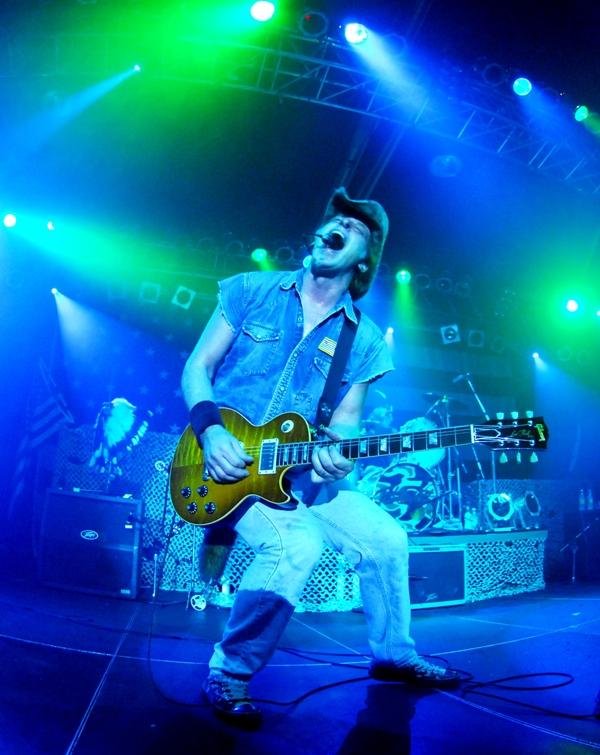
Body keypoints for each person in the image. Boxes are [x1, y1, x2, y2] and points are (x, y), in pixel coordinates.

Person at [181, 187, 461, 727]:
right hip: (227, 465)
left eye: (354, 228)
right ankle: (229, 671)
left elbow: (347, 425)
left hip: (303, 475)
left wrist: (340, 455)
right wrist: (211, 431)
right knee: (297, 543)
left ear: (364, 260)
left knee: (387, 538)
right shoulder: (251, 289)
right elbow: (198, 367)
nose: (338, 226)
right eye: (336, 220)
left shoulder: (365, 339)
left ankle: (393, 653)